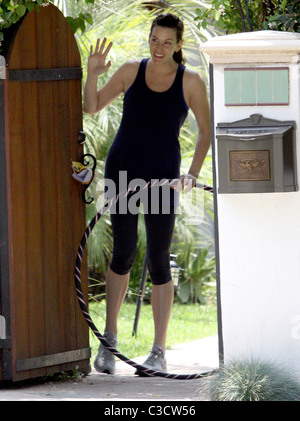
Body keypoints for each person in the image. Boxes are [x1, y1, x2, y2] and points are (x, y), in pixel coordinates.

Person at [83, 13, 211, 375]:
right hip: (122, 171)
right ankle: (109, 340)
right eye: (155, 40)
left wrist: (191, 174)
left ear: (179, 45)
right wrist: (92, 73)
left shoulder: (190, 80)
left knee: (158, 257)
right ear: (150, 37)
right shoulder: (128, 71)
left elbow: (204, 131)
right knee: (122, 252)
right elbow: (91, 106)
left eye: (167, 42)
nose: (159, 48)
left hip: (163, 178)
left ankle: (158, 351)